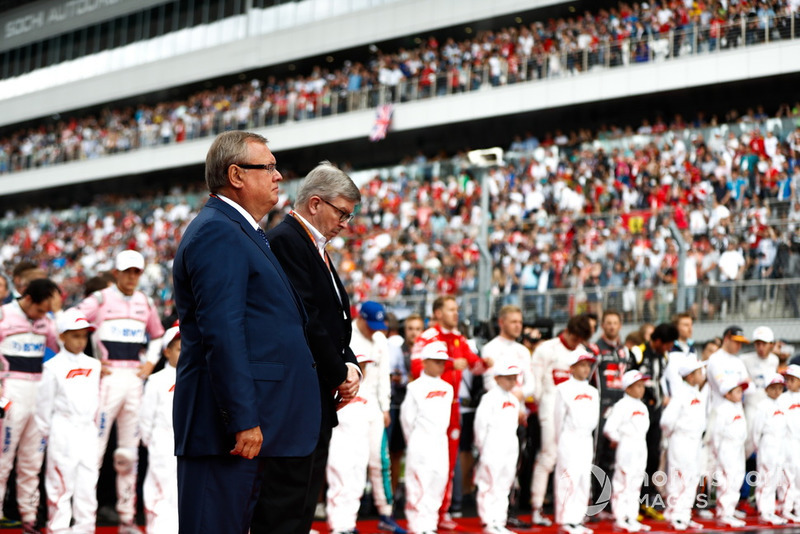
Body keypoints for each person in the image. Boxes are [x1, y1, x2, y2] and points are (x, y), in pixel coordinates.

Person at [172, 131, 324, 534]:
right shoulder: (218, 232)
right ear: (236, 174)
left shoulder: (242, 231)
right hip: (227, 431)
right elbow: (222, 332)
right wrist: (242, 418)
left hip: (253, 427)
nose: (278, 176)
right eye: (269, 167)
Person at [259, 160, 362, 533]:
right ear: (315, 203)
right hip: (295, 396)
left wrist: (350, 366)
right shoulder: (287, 240)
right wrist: (339, 371)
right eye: (342, 213)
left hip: (314, 393)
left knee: (301, 501)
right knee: (286, 503)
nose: (345, 223)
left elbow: (334, 319)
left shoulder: (312, 244)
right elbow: (307, 317)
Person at [75, 249, 165, 533]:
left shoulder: (146, 302)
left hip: (134, 381)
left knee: (128, 454)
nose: (131, 277)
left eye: (136, 272)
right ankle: (85, 521)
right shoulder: (100, 299)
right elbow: (69, 322)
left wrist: (150, 361)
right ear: (116, 273)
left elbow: (159, 336)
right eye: (126, 271)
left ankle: (127, 520)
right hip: (107, 380)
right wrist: (88, 360)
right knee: (94, 451)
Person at [410, 295, 490, 530]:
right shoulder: (427, 337)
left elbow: (475, 365)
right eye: (451, 309)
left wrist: (487, 363)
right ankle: (420, 513)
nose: (456, 313)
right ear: (437, 313)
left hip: (452, 406)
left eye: (457, 309)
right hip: (428, 406)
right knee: (424, 462)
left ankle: (441, 512)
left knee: (447, 463)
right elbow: (416, 368)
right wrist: (449, 365)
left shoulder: (459, 339)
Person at [0, 278, 61, 533]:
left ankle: (29, 518)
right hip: (10, 392)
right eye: (40, 309)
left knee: (32, 461)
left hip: (38, 394)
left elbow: (58, 349)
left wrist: (54, 315)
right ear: (27, 299)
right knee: (2, 460)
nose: (42, 316)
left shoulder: (47, 322)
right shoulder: (3, 315)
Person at [35, 309, 101, 534]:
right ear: (62, 336)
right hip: (62, 429)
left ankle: (86, 528)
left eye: (84, 335)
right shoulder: (52, 367)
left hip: (88, 431)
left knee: (88, 484)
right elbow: (43, 407)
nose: (81, 341)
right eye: (75, 335)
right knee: (60, 485)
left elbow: (97, 400)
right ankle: (58, 529)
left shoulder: (95, 365)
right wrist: (49, 433)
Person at [530, 314, 593, 526]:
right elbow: (536, 381)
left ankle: (575, 509)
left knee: (577, 463)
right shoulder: (547, 349)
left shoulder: (582, 353)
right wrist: (538, 406)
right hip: (549, 408)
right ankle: (536, 506)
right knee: (549, 456)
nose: (576, 343)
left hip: (575, 415)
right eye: (575, 338)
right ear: (568, 331)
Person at [348, 301, 405, 533]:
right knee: (351, 464)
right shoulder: (348, 333)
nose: (375, 330)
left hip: (373, 406)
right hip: (350, 404)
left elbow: (384, 376)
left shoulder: (381, 339)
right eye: (371, 324)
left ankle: (385, 513)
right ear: (360, 318)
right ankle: (346, 520)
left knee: (381, 461)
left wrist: (385, 407)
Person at [401, 341, 454, 534]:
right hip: (420, 443)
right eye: (437, 361)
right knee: (418, 485)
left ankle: (429, 526)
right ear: (425, 361)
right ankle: (417, 527)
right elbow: (407, 419)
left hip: (441, 444)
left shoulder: (448, 388)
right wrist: (415, 441)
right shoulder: (415, 387)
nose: (441, 365)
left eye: (443, 361)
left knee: (437, 484)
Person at [628, 322, 678, 518]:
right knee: (635, 457)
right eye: (666, 344)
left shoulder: (664, 357)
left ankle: (647, 497)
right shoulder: (638, 353)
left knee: (654, 457)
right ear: (657, 341)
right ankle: (631, 500)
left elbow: (660, 381)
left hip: (656, 413)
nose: (669, 348)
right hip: (638, 413)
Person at [325, 353, 375, 534]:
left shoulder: (369, 393)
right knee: (339, 484)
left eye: (366, 365)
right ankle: (338, 526)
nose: (364, 369)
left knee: (357, 485)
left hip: (361, 445)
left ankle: (349, 524)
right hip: (340, 443)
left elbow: (373, 421)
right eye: (361, 364)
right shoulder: (338, 388)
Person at [139, 323, 181, 534]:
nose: (185, 353)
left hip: (186, 446)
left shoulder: (197, 379)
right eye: (180, 348)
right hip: (162, 444)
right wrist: (154, 442)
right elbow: (145, 418)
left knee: (182, 494)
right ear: (167, 351)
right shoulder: (156, 380)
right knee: (160, 494)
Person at [474, 358, 521, 534]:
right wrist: (482, 447)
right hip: (492, 446)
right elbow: (480, 426)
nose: (511, 381)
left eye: (514, 377)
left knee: (504, 484)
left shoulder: (514, 401)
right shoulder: (489, 398)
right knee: (489, 483)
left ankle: (499, 520)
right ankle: (488, 520)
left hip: (509, 447)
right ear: (497, 378)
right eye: (508, 377)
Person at [554, 350, 599, 534]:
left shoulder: (593, 391)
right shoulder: (563, 389)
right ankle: (565, 519)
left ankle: (578, 518)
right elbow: (558, 419)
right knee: (568, 478)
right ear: (572, 367)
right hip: (569, 436)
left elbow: (595, 419)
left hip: (586, 438)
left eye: (588, 365)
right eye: (582, 365)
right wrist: (561, 440)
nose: (586, 369)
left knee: (583, 479)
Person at [660, 360, 707, 531]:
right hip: (681, 439)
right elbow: (666, 421)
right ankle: (675, 514)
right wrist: (673, 436)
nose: (703, 374)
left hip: (695, 441)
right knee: (679, 476)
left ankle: (684, 514)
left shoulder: (698, 394)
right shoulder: (680, 394)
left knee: (692, 477)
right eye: (700, 371)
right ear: (690, 375)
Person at [604, 370, 651, 533]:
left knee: (636, 481)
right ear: (627, 388)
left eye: (642, 386)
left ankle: (631, 516)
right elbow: (609, 428)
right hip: (627, 445)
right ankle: (620, 517)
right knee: (622, 481)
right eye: (637, 386)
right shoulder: (621, 405)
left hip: (640, 446)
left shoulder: (643, 406)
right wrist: (619, 441)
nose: (641, 389)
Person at [593, 310, 629, 499]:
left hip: (620, 406)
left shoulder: (624, 350)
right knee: (598, 454)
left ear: (620, 325)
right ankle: (596, 498)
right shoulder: (595, 349)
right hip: (601, 406)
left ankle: (610, 499)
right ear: (602, 326)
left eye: (615, 322)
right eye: (608, 323)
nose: (612, 326)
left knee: (616, 455)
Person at [388, 314, 424, 495]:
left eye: (418, 329)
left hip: (423, 410)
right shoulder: (397, 350)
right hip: (401, 405)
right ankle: (393, 495)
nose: (414, 333)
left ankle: (416, 494)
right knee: (395, 453)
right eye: (410, 329)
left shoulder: (427, 351)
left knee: (420, 454)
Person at [749, 372, 789, 525]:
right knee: (766, 477)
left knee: (775, 478)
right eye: (773, 388)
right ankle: (764, 510)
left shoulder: (781, 404)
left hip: (779, 445)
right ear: (766, 389)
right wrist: (758, 447)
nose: (777, 391)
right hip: (767, 444)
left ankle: (770, 509)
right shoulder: (762, 406)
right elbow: (756, 431)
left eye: (780, 388)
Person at [711, 378, 749, 528]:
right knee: (727, 480)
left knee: (737, 479)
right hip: (726, 448)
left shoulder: (738, 407)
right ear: (727, 394)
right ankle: (724, 513)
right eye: (738, 391)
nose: (741, 394)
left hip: (738, 447)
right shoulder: (722, 409)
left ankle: (730, 509)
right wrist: (719, 452)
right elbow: (716, 434)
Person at [741, 326, 779, 422]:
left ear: (771, 344)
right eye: (758, 344)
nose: (761, 347)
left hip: (770, 404)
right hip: (751, 405)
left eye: (764, 344)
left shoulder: (774, 360)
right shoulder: (744, 359)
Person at [779, 364, 800, 522]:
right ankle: (785, 508)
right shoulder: (781, 399)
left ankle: (798, 508)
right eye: (787, 380)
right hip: (787, 443)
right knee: (787, 476)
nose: (789, 383)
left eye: (793, 380)